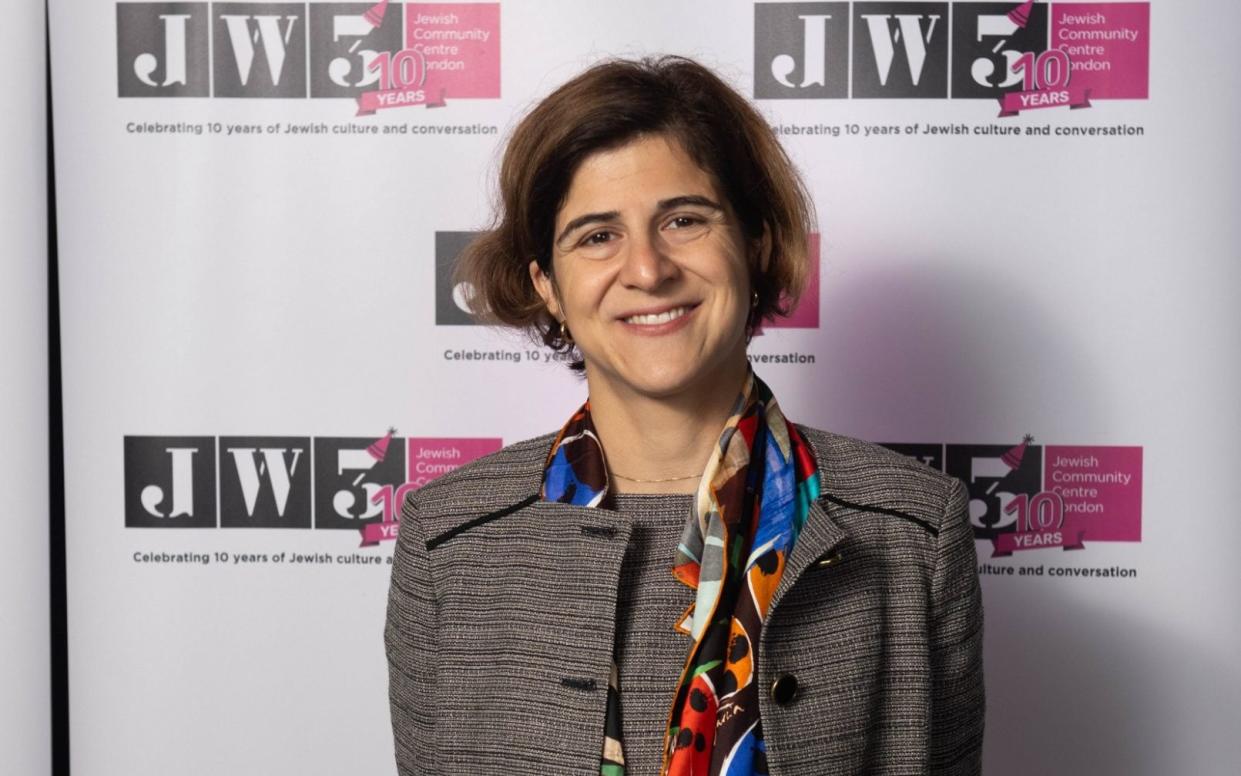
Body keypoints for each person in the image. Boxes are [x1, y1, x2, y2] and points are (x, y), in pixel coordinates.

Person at [385, 55, 983, 776]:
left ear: (754, 242)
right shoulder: (448, 542)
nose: (647, 268)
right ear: (546, 283)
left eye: (683, 219)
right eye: (596, 235)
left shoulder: (912, 531)